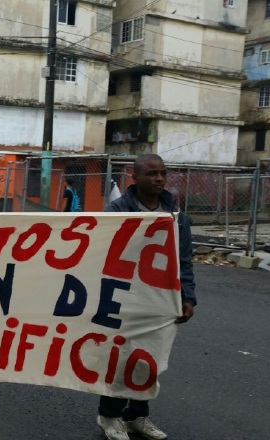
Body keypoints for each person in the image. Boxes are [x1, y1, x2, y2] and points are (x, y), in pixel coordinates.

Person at [96, 153, 196, 440]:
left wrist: (188, 298)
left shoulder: (176, 218)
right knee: (121, 358)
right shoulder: (116, 212)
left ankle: (136, 416)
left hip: (162, 300)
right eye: (152, 174)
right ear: (134, 177)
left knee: (150, 359)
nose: (159, 179)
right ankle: (109, 416)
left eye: (163, 173)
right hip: (125, 297)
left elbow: (183, 262)